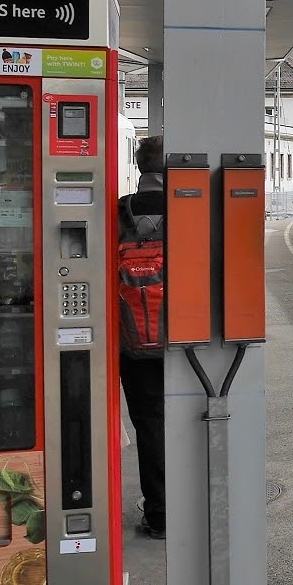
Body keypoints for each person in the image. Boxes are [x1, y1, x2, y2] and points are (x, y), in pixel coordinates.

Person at [118, 134, 167, 540]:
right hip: (185, 341)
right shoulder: (187, 207)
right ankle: (196, 507)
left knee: (150, 426)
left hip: (132, 344)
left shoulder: (120, 212)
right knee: (195, 418)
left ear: (139, 167)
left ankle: (160, 513)